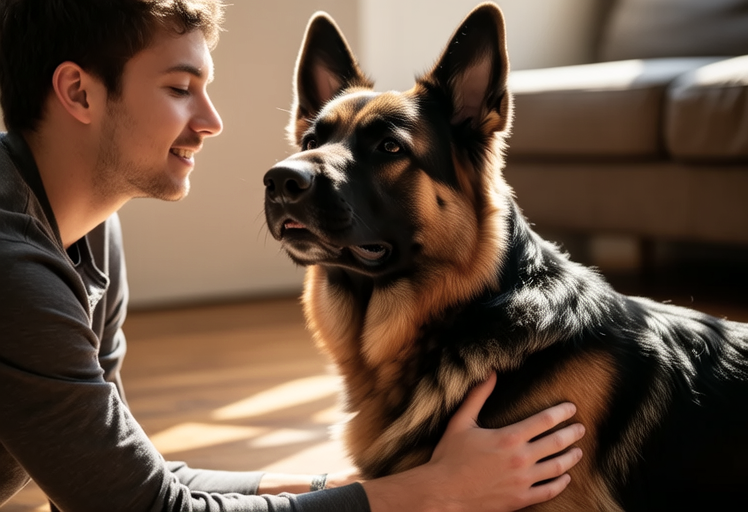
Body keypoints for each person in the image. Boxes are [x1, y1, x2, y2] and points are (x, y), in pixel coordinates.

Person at [0, 1, 586, 511]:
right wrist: (434, 492)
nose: (212, 121)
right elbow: (141, 508)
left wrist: (346, 485)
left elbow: (119, 483)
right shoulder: (15, 270)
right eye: (181, 89)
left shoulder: (89, 233)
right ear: (79, 92)